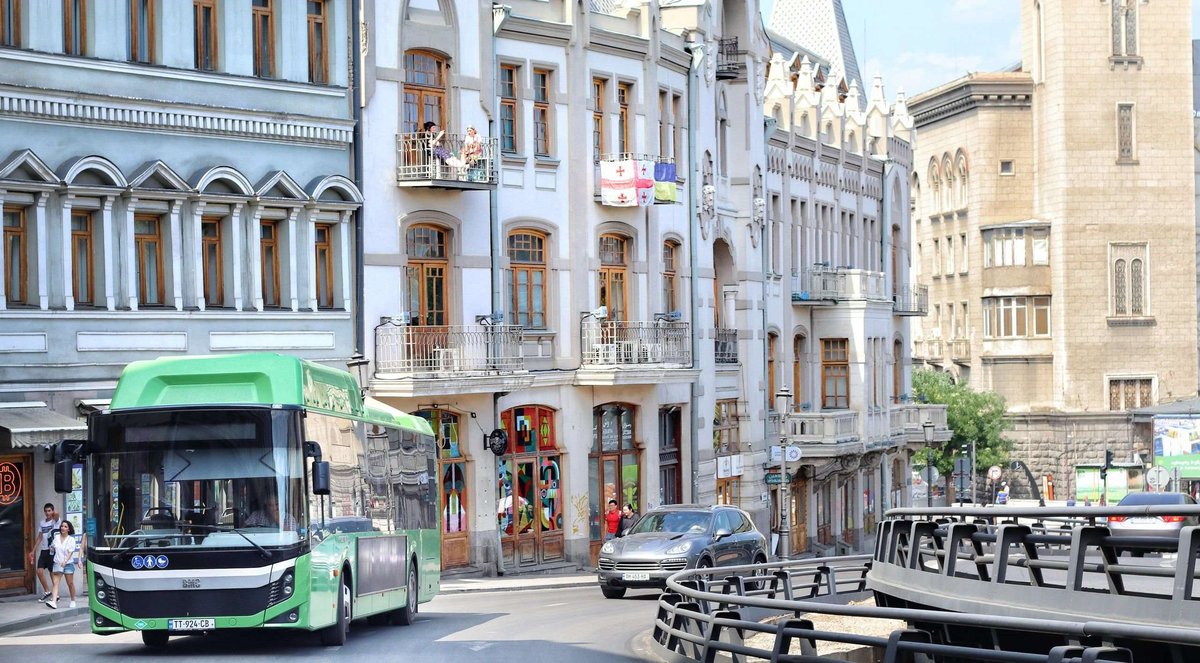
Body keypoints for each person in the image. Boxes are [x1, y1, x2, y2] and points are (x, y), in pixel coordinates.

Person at [28, 503, 61, 601]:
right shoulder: (42, 523)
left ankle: (56, 595)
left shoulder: (56, 522)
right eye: (46, 511)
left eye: (49, 511)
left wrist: (53, 513)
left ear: (52, 511)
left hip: (52, 550)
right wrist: (33, 550)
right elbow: (40, 537)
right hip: (44, 550)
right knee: (39, 571)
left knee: (52, 573)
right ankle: (47, 591)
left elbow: (57, 514)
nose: (47, 513)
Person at [45, 521, 79, 609]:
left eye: (65, 526)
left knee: (70, 583)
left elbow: (70, 552)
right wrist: (51, 548)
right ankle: (53, 602)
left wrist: (65, 561)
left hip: (68, 564)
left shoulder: (71, 539)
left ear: (68, 529)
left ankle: (73, 600)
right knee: (56, 583)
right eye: (62, 526)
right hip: (57, 562)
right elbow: (53, 547)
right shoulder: (56, 537)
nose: (63, 528)